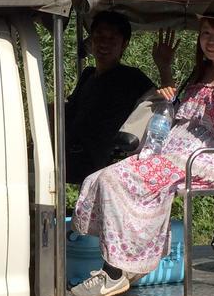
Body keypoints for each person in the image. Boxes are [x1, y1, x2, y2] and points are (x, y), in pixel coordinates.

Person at [69, 12, 214, 296]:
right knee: (98, 177)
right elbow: (175, 111)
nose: (211, 40)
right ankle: (128, 266)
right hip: (169, 152)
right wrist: (165, 69)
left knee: (114, 179)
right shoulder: (200, 73)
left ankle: (113, 272)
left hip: (199, 158)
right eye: (207, 33)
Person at [64, 10, 166, 184]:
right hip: (70, 151)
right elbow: (71, 111)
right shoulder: (88, 75)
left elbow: (163, 101)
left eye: (112, 39)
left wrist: (164, 67)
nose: (104, 43)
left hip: (101, 158)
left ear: (124, 44)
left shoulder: (132, 78)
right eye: (99, 36)